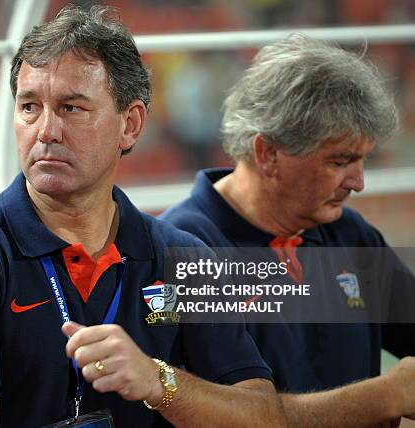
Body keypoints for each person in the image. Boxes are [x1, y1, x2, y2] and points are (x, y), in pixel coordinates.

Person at [0, 6, 286, 428]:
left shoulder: (185, 257)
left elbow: (263, 417)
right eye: (30, 107)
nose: (46, 130)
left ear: (131, 125)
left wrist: (160, 382)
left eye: (72, 108)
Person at [161, 33, 415, 427]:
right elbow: (235, 419)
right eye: (341, 161)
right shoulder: (184, 250)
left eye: (363, 160)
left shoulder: (349, 234)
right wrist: (385, 396)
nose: (358, 182)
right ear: (269, 154)